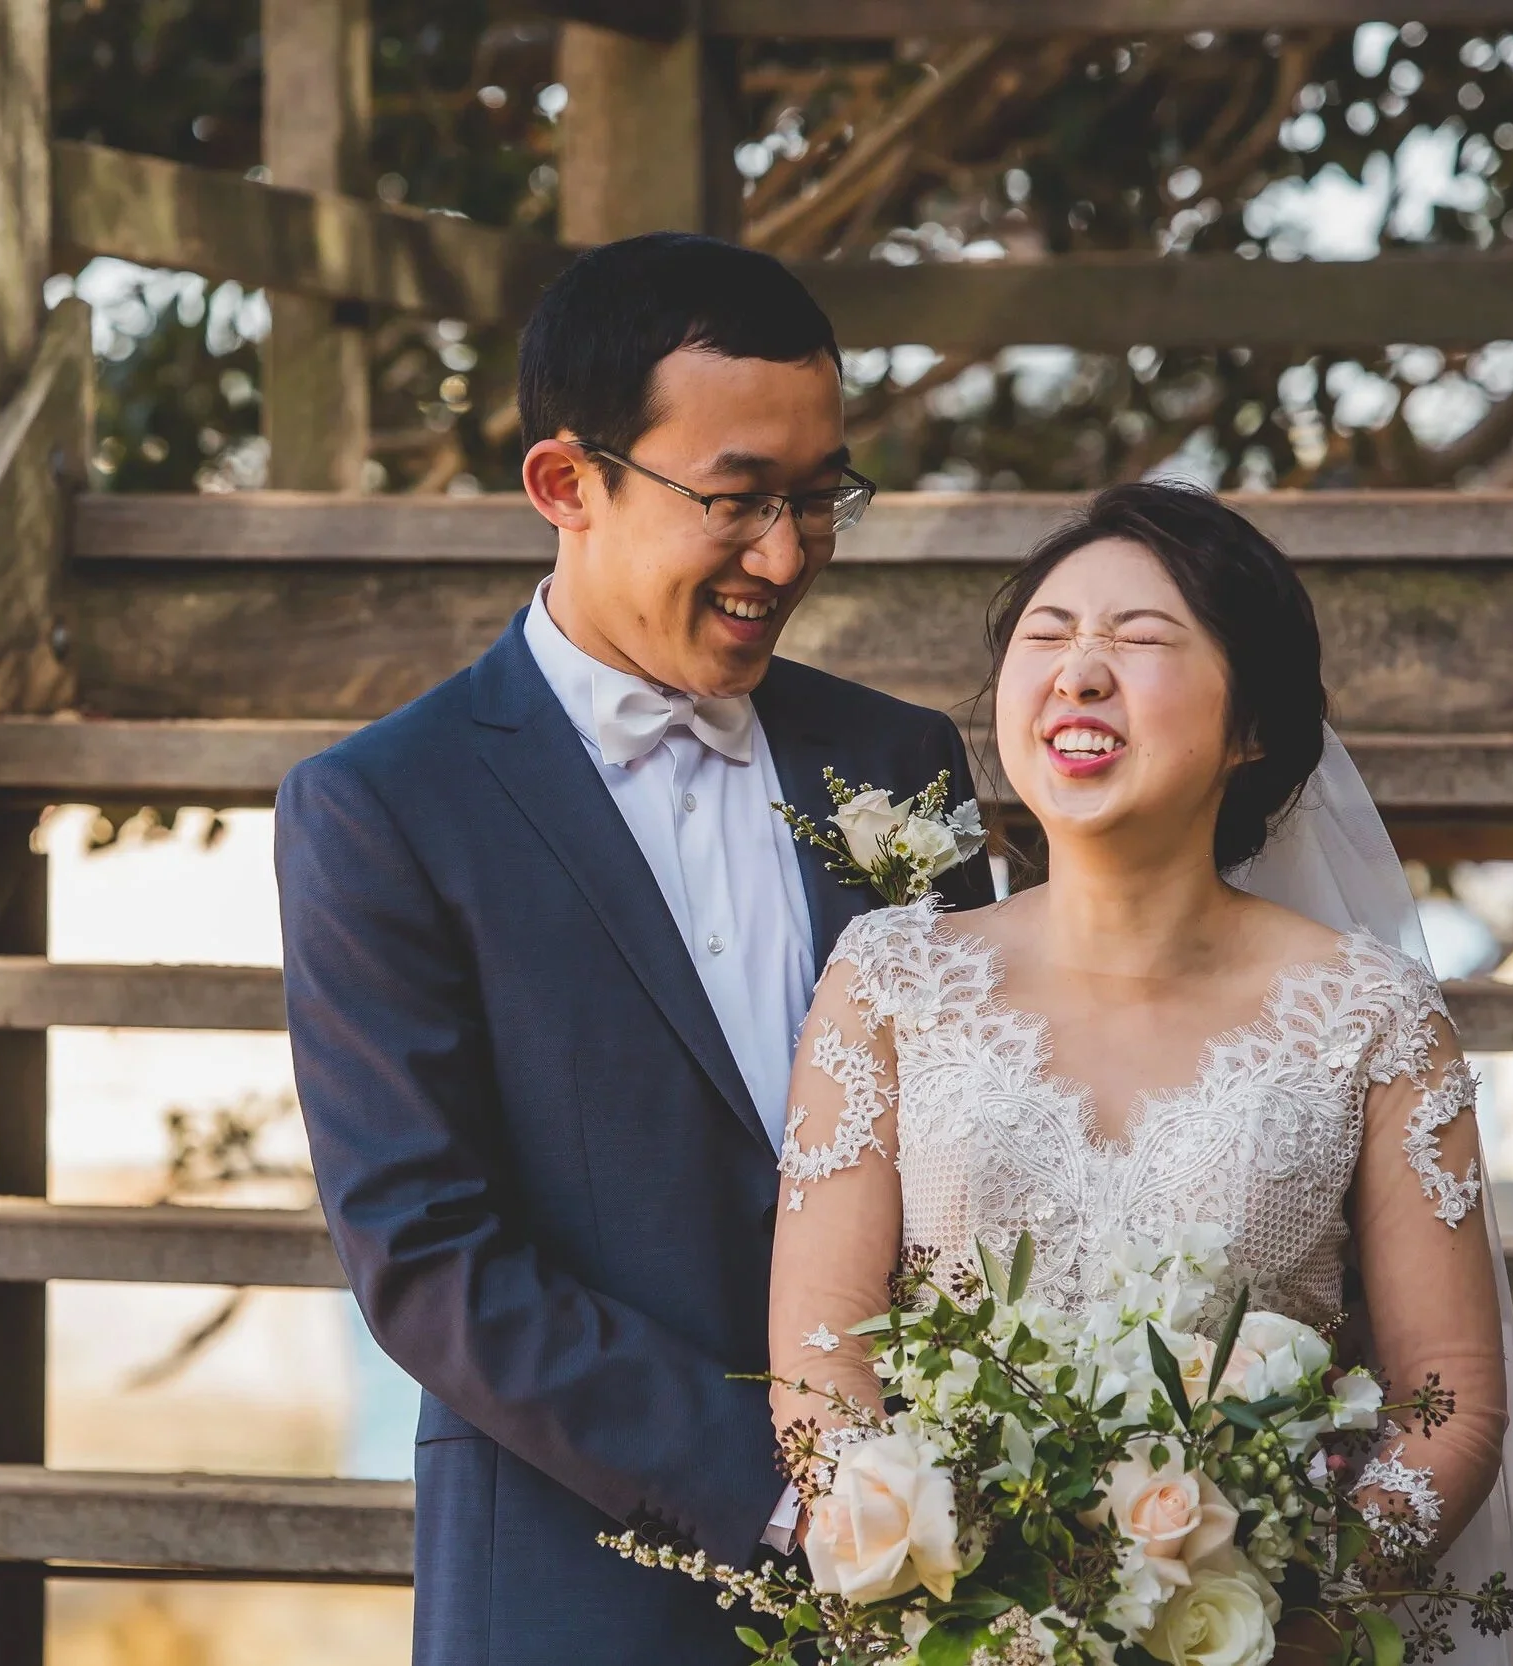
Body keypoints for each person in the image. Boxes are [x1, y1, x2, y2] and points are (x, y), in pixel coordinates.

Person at [276, 232, 994, 1666]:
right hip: (579, 1580)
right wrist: (794, 1495)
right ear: (567, 484)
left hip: (953, 1577)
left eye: (819, 497)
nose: (786, 556)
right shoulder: (383, 808)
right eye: (736, 501)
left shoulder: (899, 759)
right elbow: (428, 1253)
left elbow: (990, 1139)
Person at [766, 481, 1513, 1665]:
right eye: (1047, 636)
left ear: (1251, 725)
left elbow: (1449, 1402)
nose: (1079, 672)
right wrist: (970, 1606)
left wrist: (1261, 1610)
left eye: (1138, 640)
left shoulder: (1370, 1015)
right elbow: (822, 1366)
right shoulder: (890, 980)